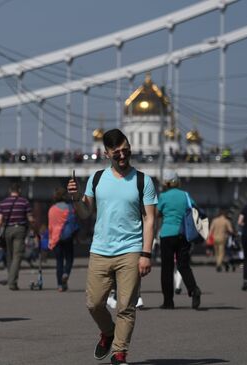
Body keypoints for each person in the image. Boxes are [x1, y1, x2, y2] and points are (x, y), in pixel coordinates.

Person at [68, 129, 156, 365]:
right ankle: (108, 332)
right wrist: (76, 199)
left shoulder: (142, 180)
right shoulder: (96, 179)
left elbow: (150, 219)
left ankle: (119, 352)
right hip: (100, 250)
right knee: (94, 303)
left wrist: (146, 254)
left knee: (126, 306)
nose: (122, 155)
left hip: (131, 250)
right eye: (116, 152)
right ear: (106, 153)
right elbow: (86, 214)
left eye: (125, 149)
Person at [156, 170, 202, 310]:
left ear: (165, 182)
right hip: (184, 234)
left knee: (167, 268)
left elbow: (157, 213)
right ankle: (193, 289)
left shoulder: (163, 196)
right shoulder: (186, 195)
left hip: (167, 235)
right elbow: (195, 210)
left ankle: (168, 302)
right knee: (183, 265)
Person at [0, 183, 38, 291]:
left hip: (7, 230)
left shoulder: (3, 203)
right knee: (17, 256)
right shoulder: (24, 202)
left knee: (9, 256)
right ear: (19, 190)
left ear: (9, 190)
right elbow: (30, 219)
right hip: (20, 230)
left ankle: (11, 278)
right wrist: (34, 229)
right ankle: (12, 282)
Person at [47, 187, 78, 292]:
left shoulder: (51, 209)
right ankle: (66, 273)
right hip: (67, 237)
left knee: (59, 261)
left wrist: (50, 239)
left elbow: (50, 226)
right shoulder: (69, 208)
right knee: (69, 258)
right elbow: (73, 223)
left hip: (56, 238)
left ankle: (60, 285)